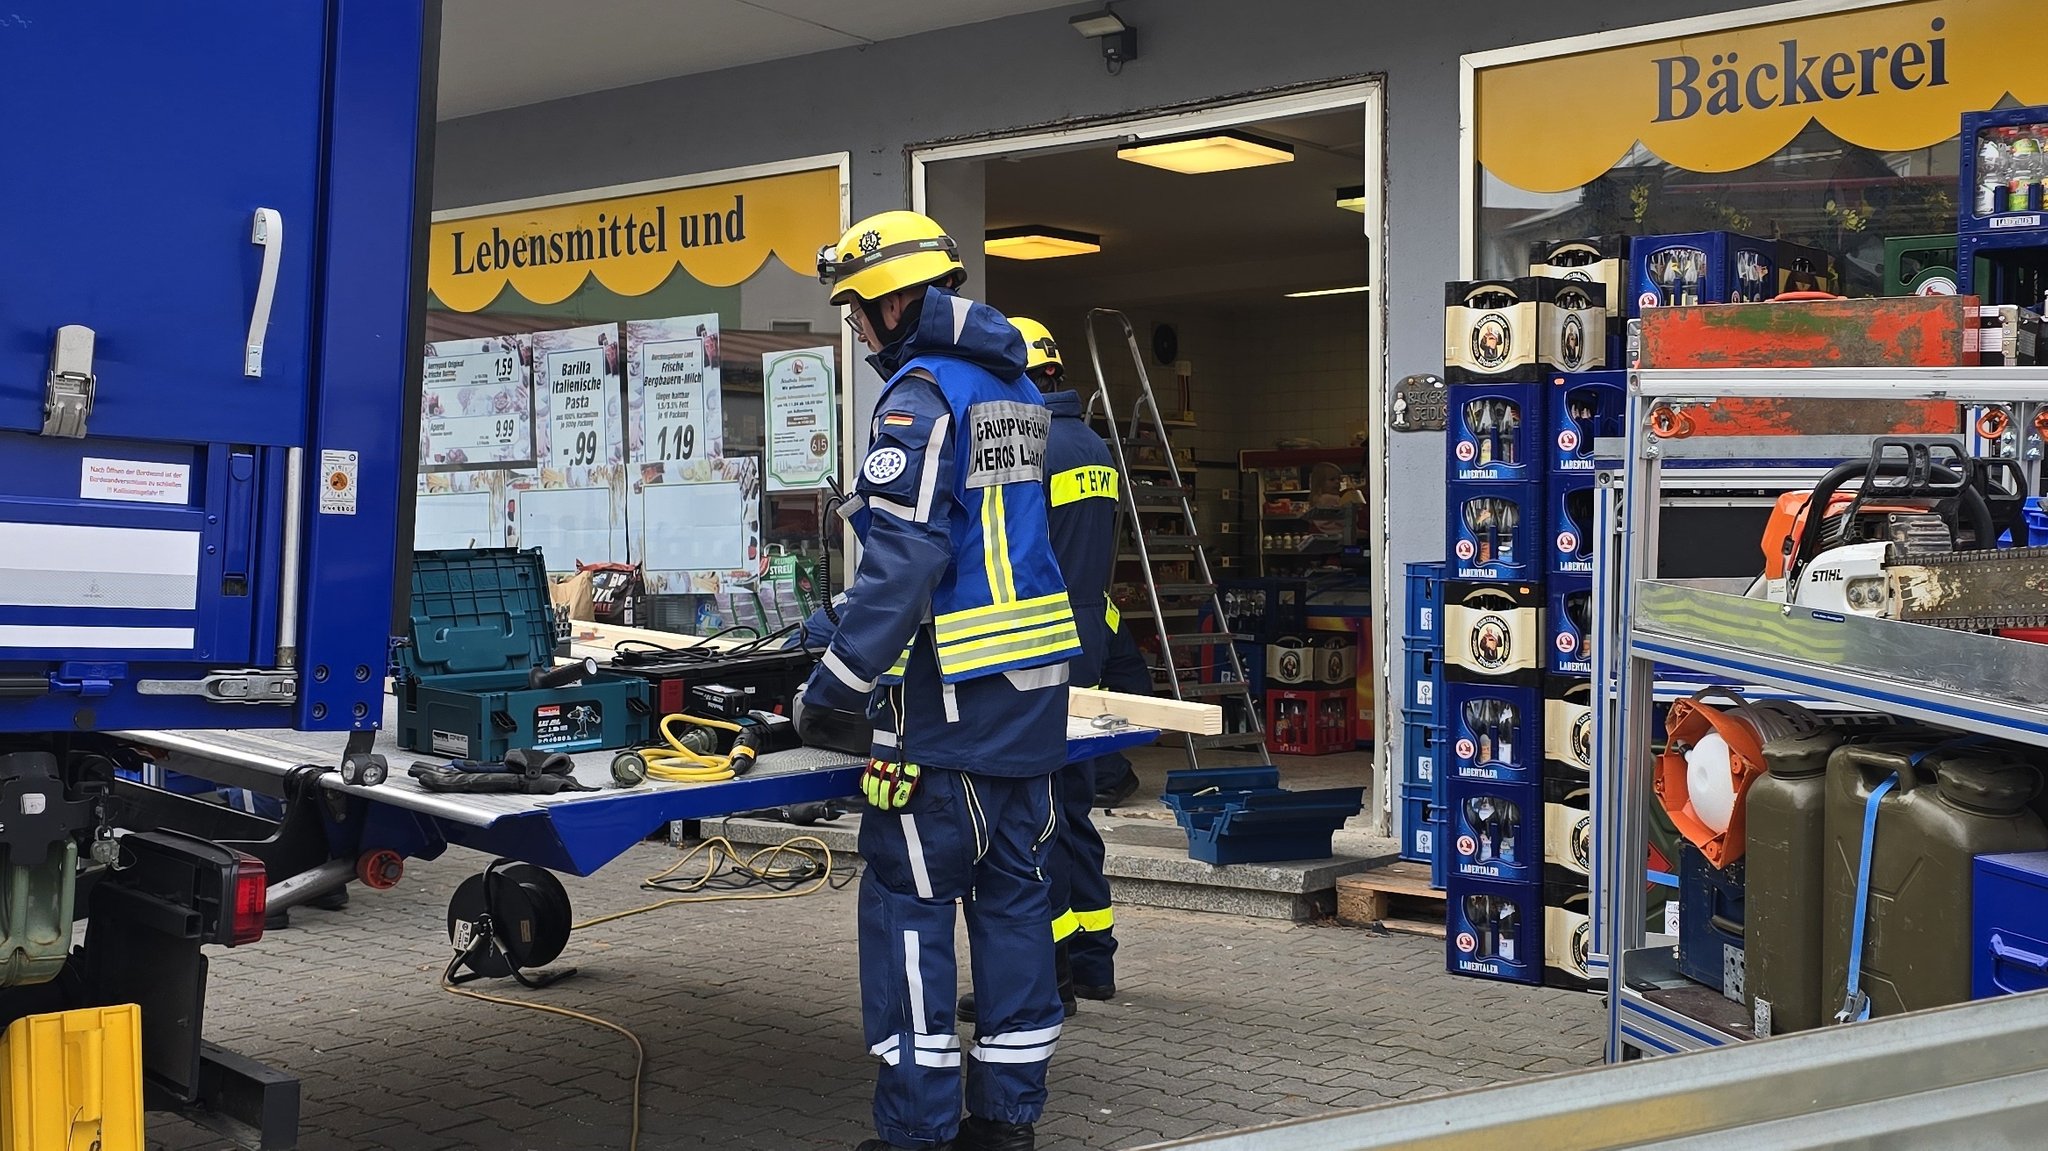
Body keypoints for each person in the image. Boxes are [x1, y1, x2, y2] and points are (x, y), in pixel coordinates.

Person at [801, 210, 1080, 1151]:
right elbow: (981, 545)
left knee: (909, 916)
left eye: (856, 308)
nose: (858, 328)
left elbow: (910, 559)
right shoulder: (1011, 387)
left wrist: (834, 683)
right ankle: (1006, 1124)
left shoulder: (918, 399)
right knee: (1014, 911)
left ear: (889, 302)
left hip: (947, 711)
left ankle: (915, 1129)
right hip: (1031, 702)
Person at [957, 317, 1119, 1026]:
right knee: (1075, 807)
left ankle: (1050, 980)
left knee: (1036, 817)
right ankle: (1095, 958)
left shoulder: (1025, 445)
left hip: (1040, 648)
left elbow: (1011, 555)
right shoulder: (1095, 447)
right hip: (1095, 639)